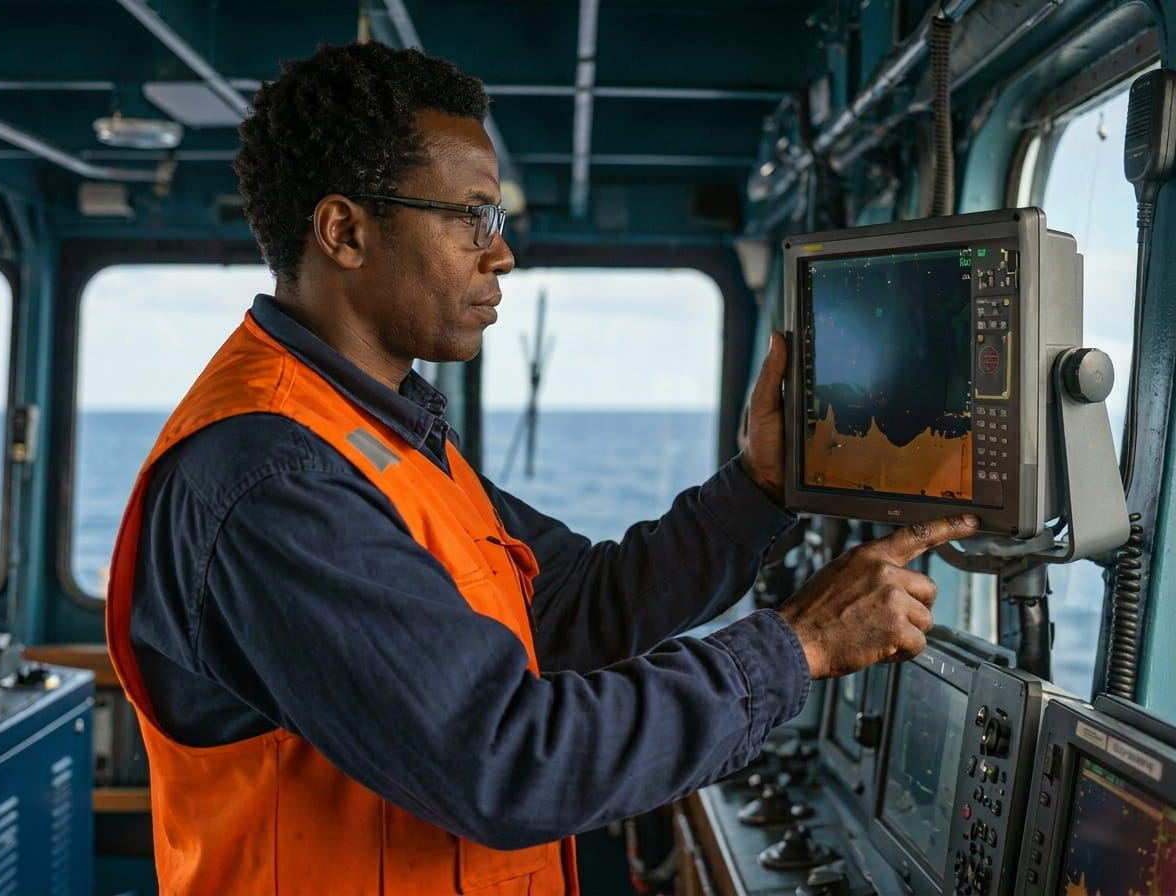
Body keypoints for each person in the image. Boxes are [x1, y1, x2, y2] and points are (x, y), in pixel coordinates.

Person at [105, 40, 977, 896]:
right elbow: (505, 761)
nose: (502, 254)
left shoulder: (381, 434)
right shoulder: (274, 475)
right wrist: (801, 645)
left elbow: (570, 605)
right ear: (347, 232)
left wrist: (758, 489)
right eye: (471, 218)